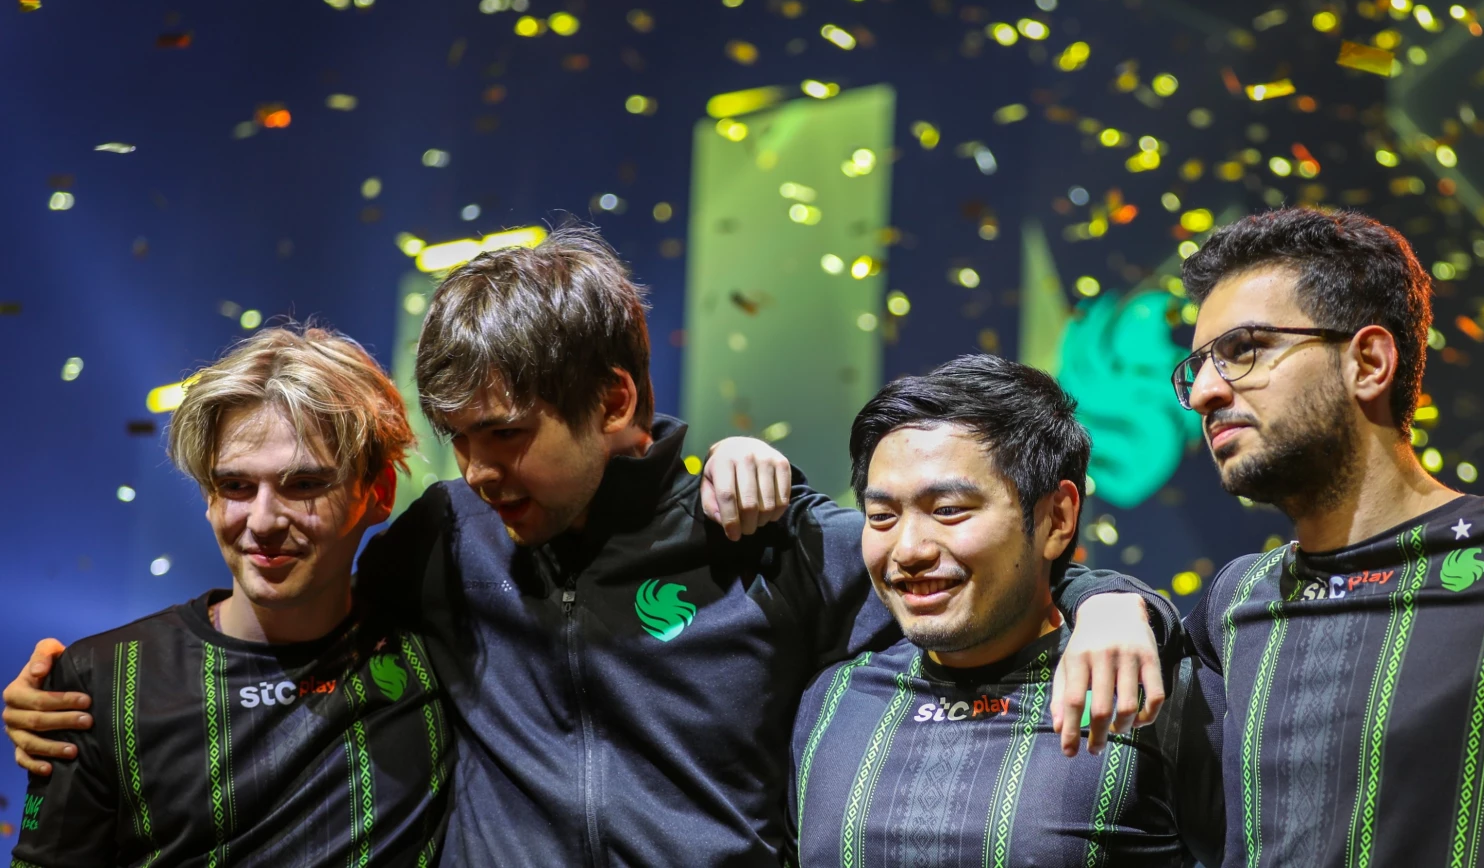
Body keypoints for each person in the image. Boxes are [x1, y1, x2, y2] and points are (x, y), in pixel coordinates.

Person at [7, 226, 1176, 866]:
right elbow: (286, 605)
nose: (476, 470)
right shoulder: (444, 538)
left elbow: (974, 594)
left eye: (506, 434)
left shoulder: (765, 534)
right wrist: (92, 691)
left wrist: (1117, 600)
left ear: (614, 401)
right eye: (458, 438)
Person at [1175, 206, 1484, 867]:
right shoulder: (1234, 600)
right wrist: (1104, 599)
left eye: (1244, 350)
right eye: (1199, 367)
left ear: (1368, 362)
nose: (1204, 394)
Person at [11, 326, 449, 867]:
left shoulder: (437, 649)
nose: (262, 521)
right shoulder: (100, 680)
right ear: (208, 497)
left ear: (377, 493)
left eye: (303, 485)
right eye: (236, 486)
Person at [791, 354, 1213, 868]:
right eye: (881, 516)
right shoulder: (831, 701)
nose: (908, 549)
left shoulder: (1151, 693)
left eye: (948, 510)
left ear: (1057, 518)